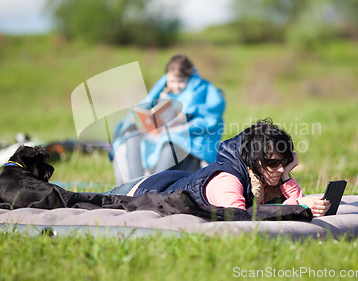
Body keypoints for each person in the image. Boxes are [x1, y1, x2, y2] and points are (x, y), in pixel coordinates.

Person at [106, 119, 331, 217]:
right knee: (94, 201)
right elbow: (240, 217)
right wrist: (298, 204)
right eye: (272, 163)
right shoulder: (228, 181)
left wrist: (287, 175)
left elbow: (294, 204)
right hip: (139, 191)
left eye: (284, 162)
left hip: (173, 180)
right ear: (254, 159)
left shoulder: (262, 174)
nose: (280, 169)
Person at [111, 54, 225, 185]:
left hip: (184, 137)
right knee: (131, 137)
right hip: (157, 133)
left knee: (169, 143)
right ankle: (134, 184)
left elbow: (210, 117)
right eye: (172, 81)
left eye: (180, 81)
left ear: (188, 78)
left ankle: (154, 186)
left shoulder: (201, 90)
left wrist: (183, 122)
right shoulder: (163, 90)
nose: (176, 86)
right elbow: (146, 105)